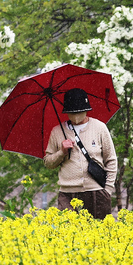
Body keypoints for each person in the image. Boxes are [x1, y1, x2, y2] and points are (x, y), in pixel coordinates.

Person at [43, 88, 117, 219]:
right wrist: (62, 152)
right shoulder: (57, 131)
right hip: (67, 194)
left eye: (79, 112)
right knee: (69, 235)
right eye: (72, 113)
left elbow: (111, 159)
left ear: (87, 110)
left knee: (97, 235)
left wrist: (107, 190)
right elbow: (48, 163)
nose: (76, 116)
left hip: (96, 192)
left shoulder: (99, 127)